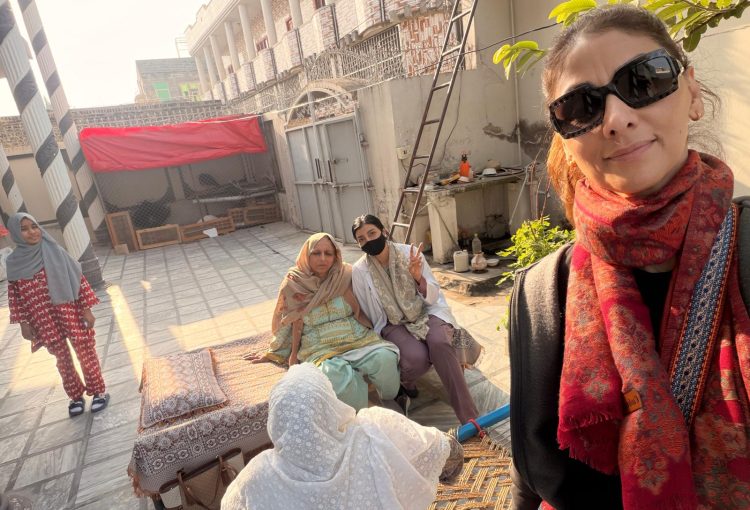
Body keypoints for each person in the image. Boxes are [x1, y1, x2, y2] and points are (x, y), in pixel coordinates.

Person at [508, 6, 750, 510]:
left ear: (693, 93)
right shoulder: (540, 294)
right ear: (566, 143)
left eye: (645, 79)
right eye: (581, 107)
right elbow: (528, 477)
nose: (616, 119)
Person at [221, 362, 464, 510]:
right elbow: (448, 455)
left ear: (277, 418)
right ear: (330, 403)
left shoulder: (253, 480)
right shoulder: (375, 431)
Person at [247, 232, 400, 412]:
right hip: (319, 347)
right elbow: (288, 321)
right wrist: (278, 352)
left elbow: (372, 297)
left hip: (356, 338)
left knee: (385, 358)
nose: (323, 259)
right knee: (336, 375)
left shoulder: (346, 275)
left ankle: (389, 400)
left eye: (328, 253)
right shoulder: (294, 283)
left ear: (336, 255)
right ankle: (360, 417)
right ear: (306, 255)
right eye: (316, 253)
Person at [351, 214, 479, 424]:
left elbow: (434, 295)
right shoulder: (359, 271)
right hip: (392, 322)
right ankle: (406, 383)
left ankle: (470, 417)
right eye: (361, 239)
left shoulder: (408, 254)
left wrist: (418, 277)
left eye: (372, 233)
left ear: (384, 231)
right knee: (416, 359)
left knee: (439, 344)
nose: (368, 240)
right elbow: (369, 310)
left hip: (426, 311)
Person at [7, 213, 109, 418]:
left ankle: (98, 391)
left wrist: (86, 309)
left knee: (84, 351)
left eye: (34, 226)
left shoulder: (54, 251)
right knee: (62, 358)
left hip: (69, 312)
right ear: (16, 234)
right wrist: (23, 323)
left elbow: (77, 280)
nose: (32, 232)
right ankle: (75, 396)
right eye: (24, 229)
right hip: (42, 319)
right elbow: (15, 296)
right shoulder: (13, 262)